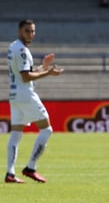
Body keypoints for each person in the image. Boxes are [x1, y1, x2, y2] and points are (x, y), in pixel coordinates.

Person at [4, 19, 64, 183]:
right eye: (27, 31)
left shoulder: (13, 46)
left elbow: (24, 72)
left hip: (15, 95)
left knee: (16, 133)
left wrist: (42, 67)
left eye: (32, 31)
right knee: (47, 130)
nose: (30, 34)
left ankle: (10, 173)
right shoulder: (22, 50)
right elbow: (26, 77)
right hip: (25, 94)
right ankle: (31, 167)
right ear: (19, 31)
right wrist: (48, 73)